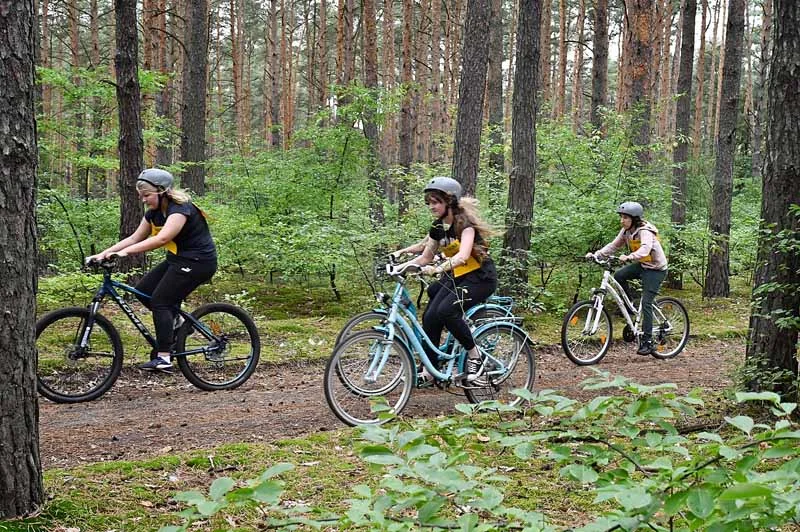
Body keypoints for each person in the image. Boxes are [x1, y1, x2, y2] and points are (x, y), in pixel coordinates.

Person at [86, 168, 218, 370]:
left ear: (162, 191)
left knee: (160, 301)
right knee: (143, 291)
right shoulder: (153, 214)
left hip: (199, 262)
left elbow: (162, 239)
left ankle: (164, 357)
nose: (144, 200)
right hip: (178, 260)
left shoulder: (180, 209)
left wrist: (126, 253)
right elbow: (133, 238)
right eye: (141, 196)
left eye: (147, 195)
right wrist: (103, 254)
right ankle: (180, 324)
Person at [395, 176, 498, 382]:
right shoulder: (438, 227)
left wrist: (438, 269)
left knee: (446, 310)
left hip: (479, 278)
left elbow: (462, 256)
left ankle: (474, 355)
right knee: (430, 317)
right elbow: (426, 256)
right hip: (457, 276)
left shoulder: (464, 225)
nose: (431, 207)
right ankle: (431, 370)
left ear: (449, 201)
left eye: (435, 202)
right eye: (429, 203)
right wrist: (399, 267)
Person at [587, 201, 668, 356]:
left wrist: (630, 256)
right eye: (621, 217)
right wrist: (596, 255)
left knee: (646, 303)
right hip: (643, 265)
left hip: (656, 269)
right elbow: (613, 246)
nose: (622, 220)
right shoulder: (626, 232)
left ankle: (647, 341)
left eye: (625, 217)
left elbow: (645, 249)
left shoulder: (645, 231)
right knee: (619, 276)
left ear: (634, 219)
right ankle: (630, 306)